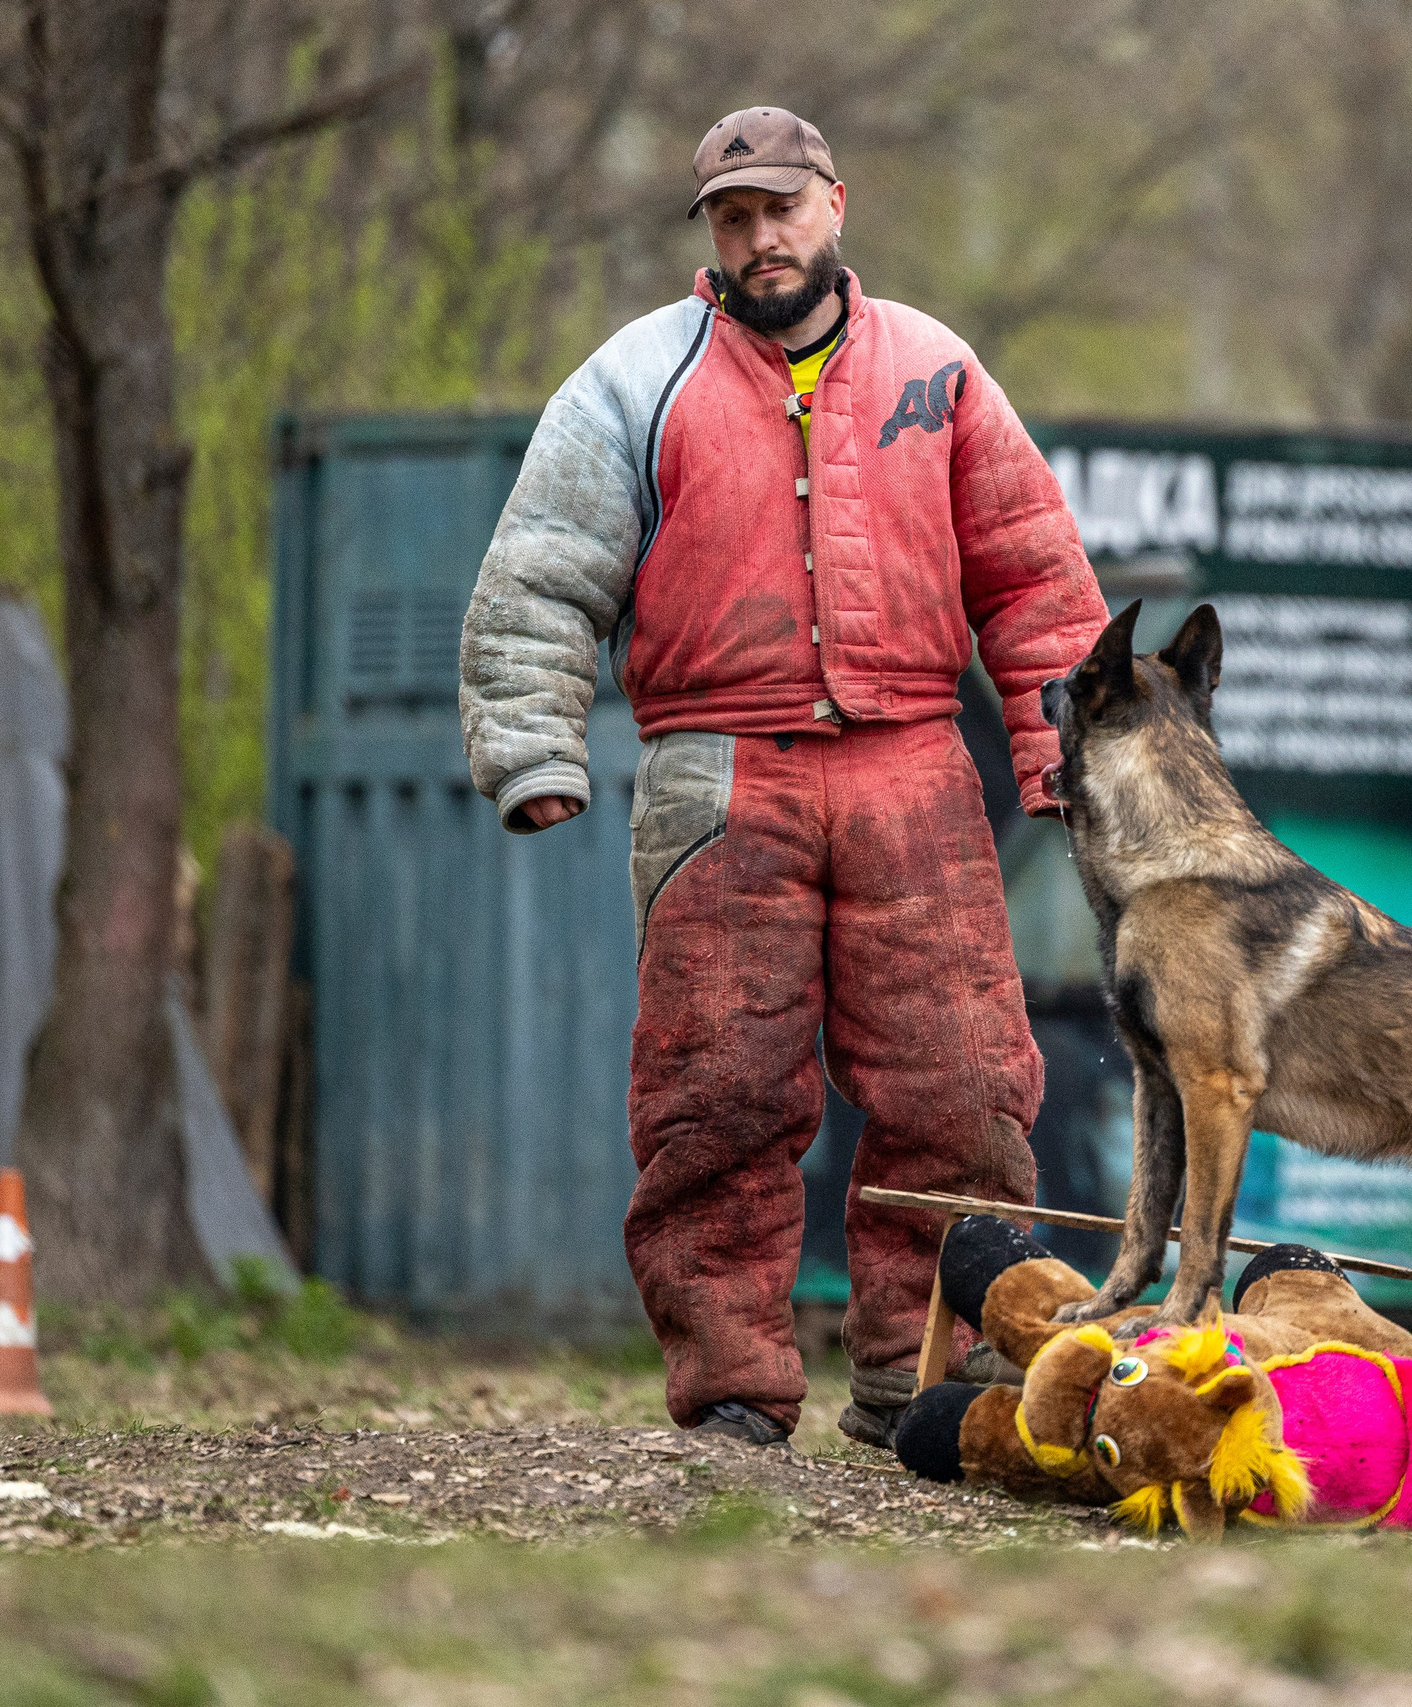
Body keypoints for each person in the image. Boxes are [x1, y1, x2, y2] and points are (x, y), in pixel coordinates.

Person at [458, 106, 1108, 1450]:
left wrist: (1067, 758)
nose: (761, 237)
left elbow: (1035, 578)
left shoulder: (937, 369)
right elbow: (540, 573)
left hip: (914, 768)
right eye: (733, 216)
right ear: (712, 231)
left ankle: (922, 1379)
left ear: (836, 204)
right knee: (718, 1097)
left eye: (781, 208)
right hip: (714, 776)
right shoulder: (634, 380)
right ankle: (732, 1391)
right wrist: (531, 745)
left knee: (962, 1091)